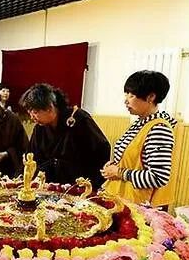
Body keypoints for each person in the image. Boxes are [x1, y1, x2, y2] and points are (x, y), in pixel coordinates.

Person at [101, 70, 177, 208]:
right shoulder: (140, 123)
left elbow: (158, 177)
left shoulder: (159, 129)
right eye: (126, 94)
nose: (126, 100)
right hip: (122, 198)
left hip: (137, 206)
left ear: (151, 97)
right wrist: (115, 165)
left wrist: (119, 172)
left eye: (132, 95)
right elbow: (135, 160)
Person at [21, 83, 111, 188]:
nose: (32, 117)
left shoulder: (79, 119)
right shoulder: (40, 127)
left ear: (50, 107)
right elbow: (32, 156)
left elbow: (102, 148)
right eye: (30, 113)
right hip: (48, 186)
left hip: (77, 185)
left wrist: (91, 184)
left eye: (35, 112)